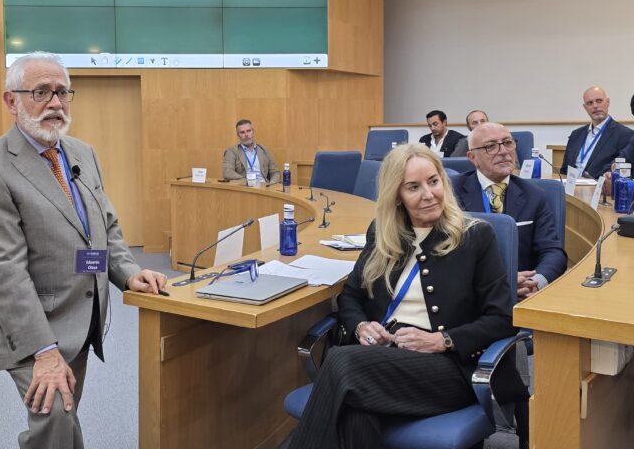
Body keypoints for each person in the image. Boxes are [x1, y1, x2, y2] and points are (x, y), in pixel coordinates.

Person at [0, 52, 167, 449]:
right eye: (41, 92)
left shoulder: (82, 153)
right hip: (29, 325)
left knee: (65, 415)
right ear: (11, 101)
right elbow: (2, 270)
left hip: (80, 315)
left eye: (62, 92)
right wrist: (44, 351)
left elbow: (104, 226)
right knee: (54, 415)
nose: (55, 103)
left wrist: (127, 272)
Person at [287, 144, 527, 449]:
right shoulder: (383, 233)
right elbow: (351, 296)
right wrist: (361, 326)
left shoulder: (474, 236)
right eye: (413, 187)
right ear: (396, 196)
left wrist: (443, 341)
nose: (428, 194)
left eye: (433, 181)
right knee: (356, 414)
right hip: (383, 358)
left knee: (340, 363)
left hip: (449, 368)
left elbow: (503, 319)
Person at [452, 123, 566, 300]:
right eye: (490, 146)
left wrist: (535, 282)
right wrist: (504, 281)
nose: (504, 151)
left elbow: (553, 252)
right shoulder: (452, 193)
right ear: (472, 157)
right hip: (469, 297)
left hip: (521, 297)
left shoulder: (534, 196)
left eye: (508, 142)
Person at [559, 86, 634, 178]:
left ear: (607, 102)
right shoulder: (576, 134)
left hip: (599, 190)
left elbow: (623, 173)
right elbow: (564, 170)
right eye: (590, 103)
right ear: (585, 107)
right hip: (569, 187)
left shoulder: (625, 135)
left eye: (599, 101)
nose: (595, 106)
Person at [222, 119, 280, 184]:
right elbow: (227, 172)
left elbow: (275, 172)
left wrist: (271, 183)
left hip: (264, 187)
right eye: (242, 132)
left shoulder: (264, 150)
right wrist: (248, 181)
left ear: (253, 132)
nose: (246, 134)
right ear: (238, 135)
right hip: (244, 188)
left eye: (248, 131)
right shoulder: (232, 151)